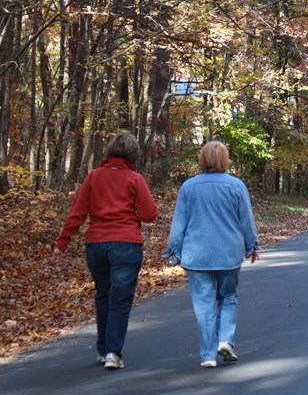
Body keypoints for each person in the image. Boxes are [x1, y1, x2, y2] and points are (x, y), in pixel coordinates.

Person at [53, 132, 157, 370]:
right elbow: (150, 215)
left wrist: (62, 242)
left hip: (96, 244)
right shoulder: (134, 179)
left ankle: (103, 351)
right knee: (120, 299)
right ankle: (113, 353)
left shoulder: (94, 177)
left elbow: (77, 212)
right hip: (126, 244)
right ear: (133, 154)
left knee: (103, 295)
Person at [165, 140, 259, 368]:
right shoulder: (236, 186)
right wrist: (252, 245)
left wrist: (173, 250)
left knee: (204, 304)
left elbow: (179, 223)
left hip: (197, 256)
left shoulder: (189, 187)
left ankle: (208, 356)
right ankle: (225, 339)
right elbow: (246, 219)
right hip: (228, 253)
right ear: (225, 160)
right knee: (228, 297)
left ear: (202, 160)